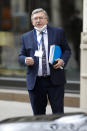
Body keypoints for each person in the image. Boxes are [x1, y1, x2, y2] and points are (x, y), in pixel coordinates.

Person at [18, 8, 71, 115]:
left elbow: (67, 50)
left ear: (46, 20)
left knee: (58, 113)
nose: (38, 20)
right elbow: (20, 56)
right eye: (35, 18)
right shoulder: (25, 37)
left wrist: (63, 60)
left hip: (55, 80)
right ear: (32, 21)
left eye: (40, 18)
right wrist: (25, 60)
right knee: (38, 115)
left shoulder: (58, 32)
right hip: (36, 82)